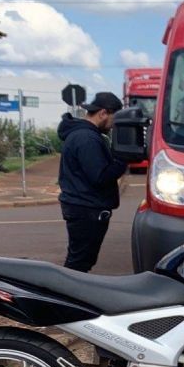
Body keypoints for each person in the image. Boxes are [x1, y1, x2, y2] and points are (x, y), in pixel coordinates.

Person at [57, 91, 126, 273]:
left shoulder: (84, 135)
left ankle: (69, 295)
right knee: (78, 264)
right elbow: (100, 176)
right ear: (103, 113)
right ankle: (66, 298)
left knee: (80, 261)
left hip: (83, 207)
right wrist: (122, 161)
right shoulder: (86, 138)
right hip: (86, 210)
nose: (113, 126)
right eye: (114, 118)